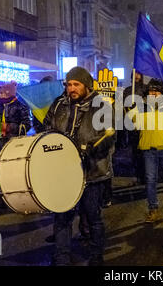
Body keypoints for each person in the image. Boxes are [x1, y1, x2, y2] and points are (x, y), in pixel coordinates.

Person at [43, 66, 115, 266]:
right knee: (62, 219)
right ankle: (61, 259)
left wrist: (92, 148)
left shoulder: (101, 105)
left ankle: (96, 257)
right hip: (64, 173)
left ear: (86, 85)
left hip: (92, 172)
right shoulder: (59, 105)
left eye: (76, 84)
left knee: (93, 218)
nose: (71, 88)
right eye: (68, 85)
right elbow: (47, 128)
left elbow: (109, 136)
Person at [127, 79, 163, 223]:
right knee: (151, 180)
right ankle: (153, 208)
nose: (153, 93)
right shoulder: (141, 108)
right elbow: (133, 125)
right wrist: (131, 112)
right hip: (149, 150)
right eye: (151, 91)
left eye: (156, 91)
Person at [122, 71, 148, 184]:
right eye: (135, 74)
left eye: (139, 74)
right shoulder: (128, 90)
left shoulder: (146, 89)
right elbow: (122, 106)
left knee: (146, 152)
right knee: (135, 152)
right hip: (132, 126)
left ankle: (147, 175)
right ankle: (138, 175)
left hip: (145, 125)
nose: (137, 76)